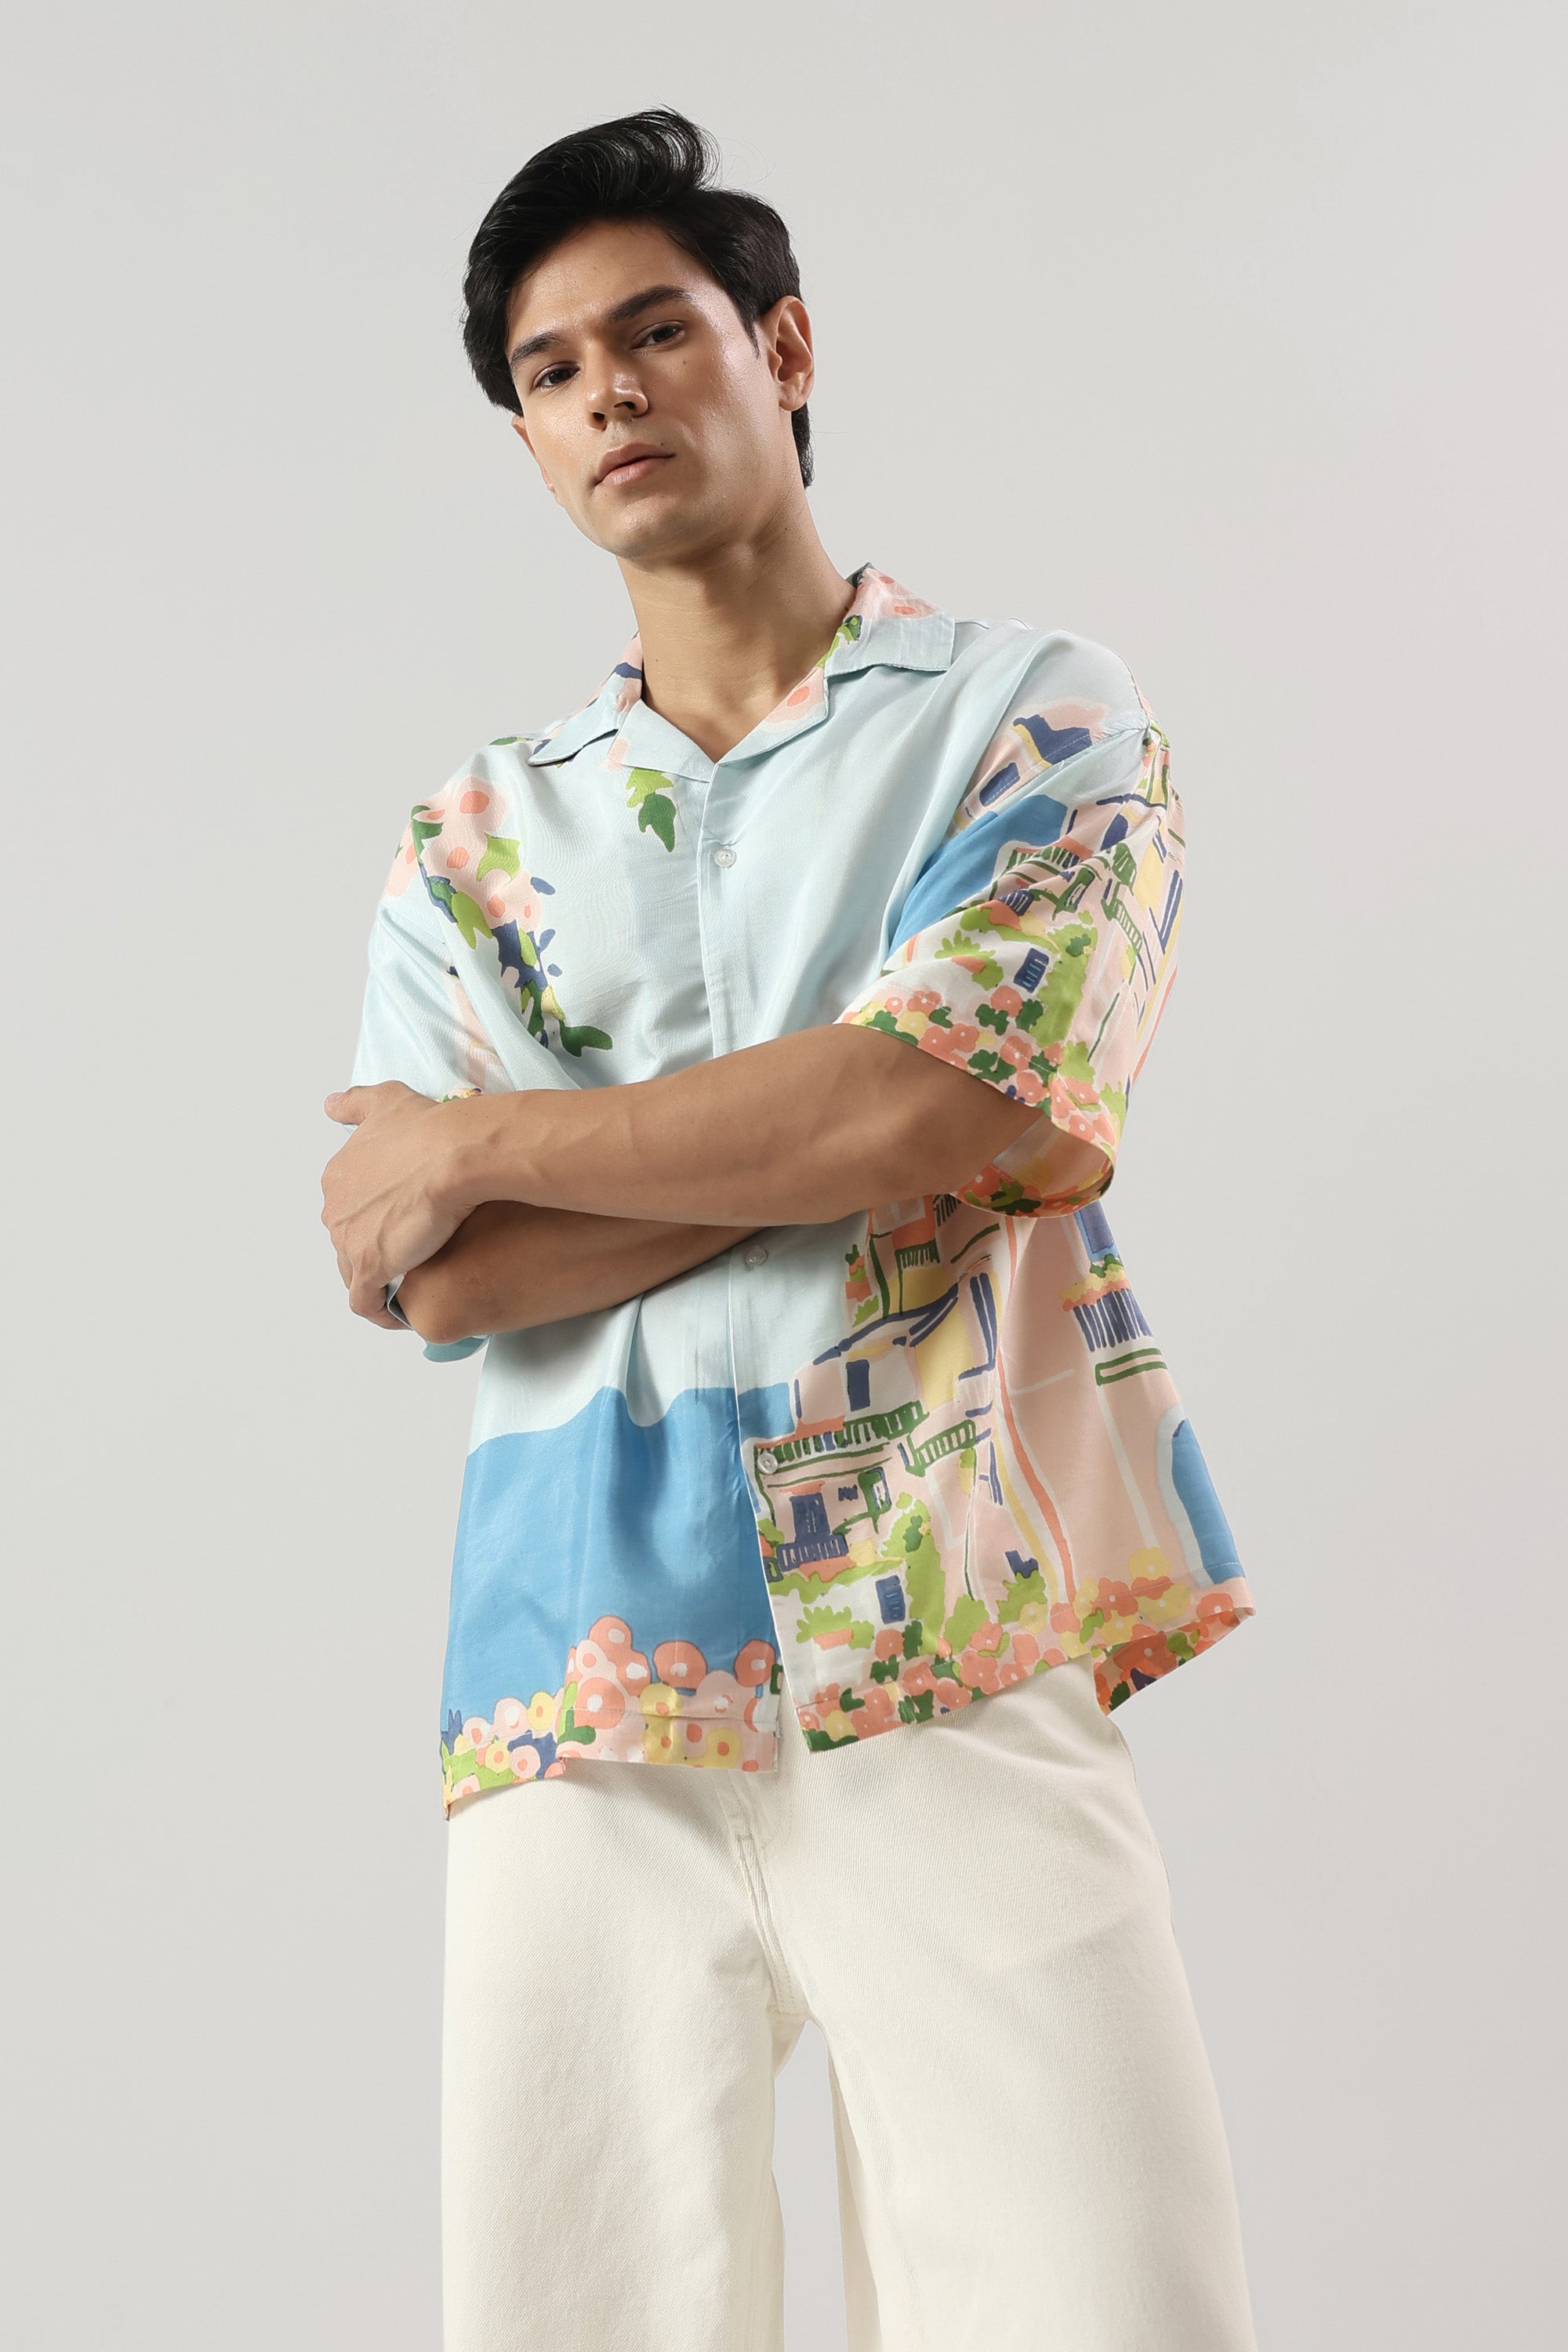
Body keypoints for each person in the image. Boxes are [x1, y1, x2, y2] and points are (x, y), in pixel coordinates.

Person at [321, 106, 1261, 2352]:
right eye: (552, 371)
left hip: (951, 1617)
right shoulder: (476, 836)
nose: (609, 394)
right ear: (529, 439)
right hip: (581, 1681)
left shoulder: (1034, 712)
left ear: (786, 348)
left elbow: (981, 1096)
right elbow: (441, 1271)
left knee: (1110, 2307)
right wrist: (828, 1130)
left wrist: (508, 1138)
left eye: (657, 332)